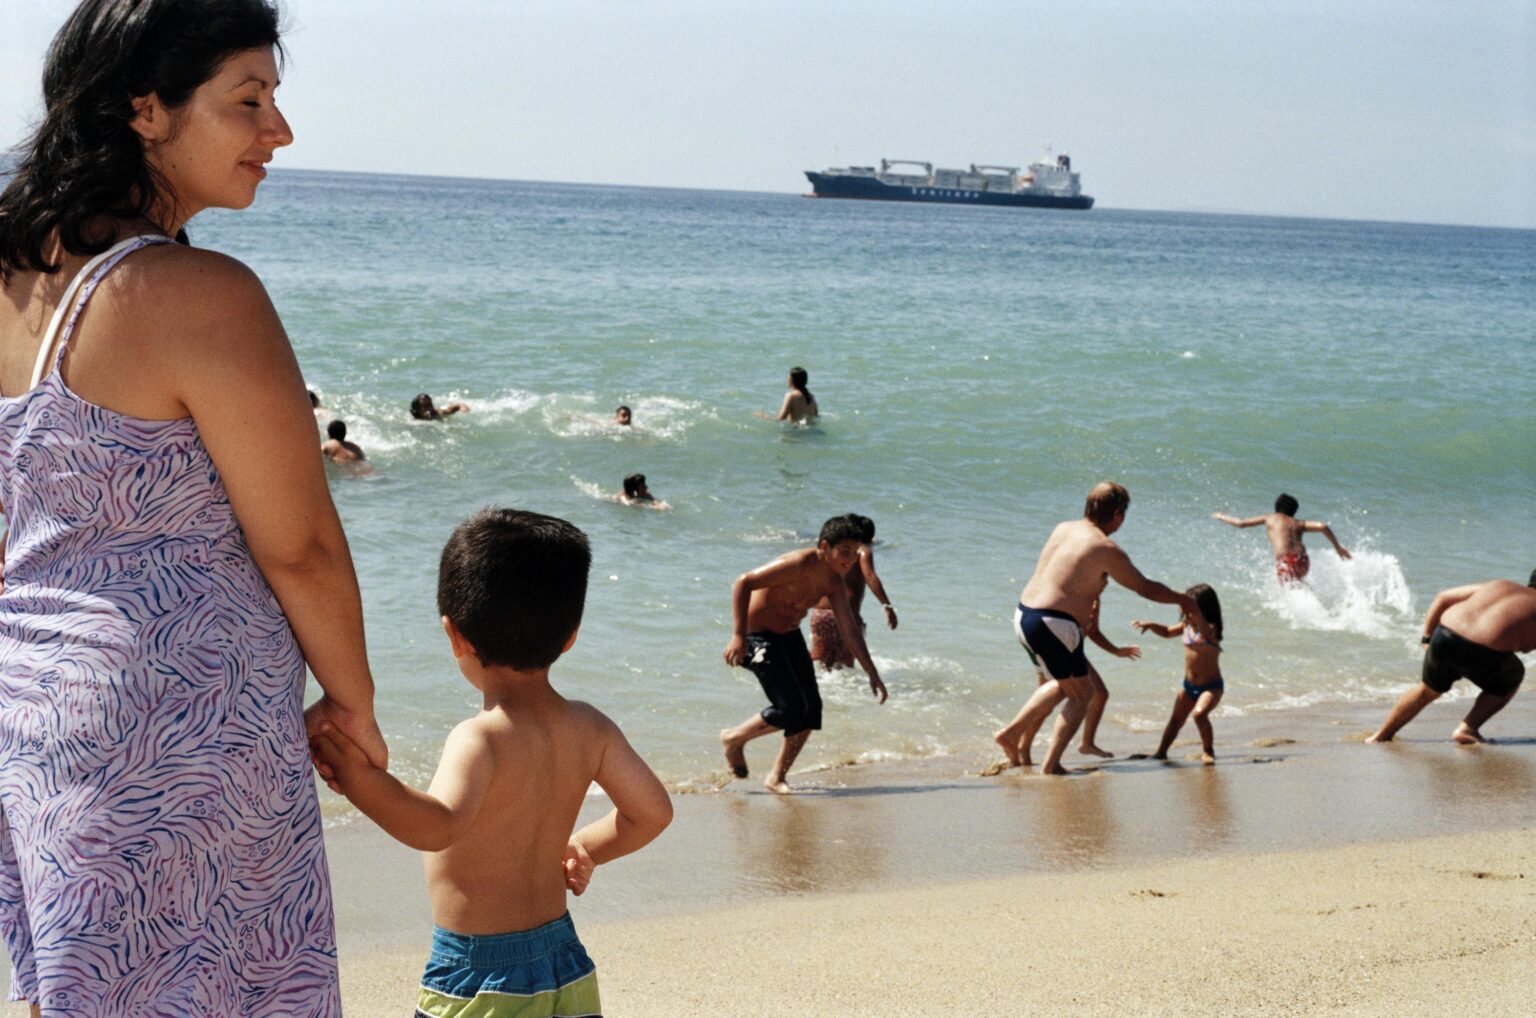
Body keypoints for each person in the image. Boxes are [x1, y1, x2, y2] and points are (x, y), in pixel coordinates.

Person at [0, 2, 385, 1012]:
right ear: (146, 111)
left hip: (38, 721)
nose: (279, 132)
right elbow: (299, 544)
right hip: (185, 731)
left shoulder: (8, 279)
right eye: (247, 101)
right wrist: (354, 702)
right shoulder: (200, 293)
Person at [311, 508, 672, 1017]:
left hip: (479, 976)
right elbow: (651, 812)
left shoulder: (479, 737)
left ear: (454, 634)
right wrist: (585, 847)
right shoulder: (590, 726)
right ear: (571, 635)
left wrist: (360, 780)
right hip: (565, 967)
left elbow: (439, 826)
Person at [993, 482, 1200, 776]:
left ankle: (1021, 746)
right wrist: (1183, 600)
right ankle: (1048, 764)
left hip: (1024, 616)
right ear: (1118, 514)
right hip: (1054, 623)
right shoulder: (1105, 547)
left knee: (1058, 687)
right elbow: (1145, 588)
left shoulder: (1063, 528)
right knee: (1082, 694)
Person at [719, 515, 889, 792]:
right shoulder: (798, 564)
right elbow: (743, 582)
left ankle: (777, 776)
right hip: (757, 637)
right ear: (825, 546)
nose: (849, 560)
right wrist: (738, 635)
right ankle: (734, 738)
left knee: (811, 711)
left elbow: (849, 628)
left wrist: (871, 671)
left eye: (854, 553)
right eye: (843, 552)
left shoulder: (835, 583)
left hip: (788, 636)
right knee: (791, 708)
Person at [1367, 570, 1536, 745]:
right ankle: (1468, 728)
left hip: (1444, 634)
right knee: (1513, 676)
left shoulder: (1499, 585)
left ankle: (1380, 735)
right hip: (1481, 650)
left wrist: (1427, 637)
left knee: (1427, 690)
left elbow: (1443, 597)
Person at [1134, 584, 1225, 764]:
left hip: (1211, 687)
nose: (1182, 605)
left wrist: (1194, 610)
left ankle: (1208, 751)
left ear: (1200, 607)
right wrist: (1152, 625)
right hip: (1189, 686)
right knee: (1175, 720)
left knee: (1199, 715)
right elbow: (1167, 632)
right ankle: (1161, 752)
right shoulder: (1186, 626)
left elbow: (1205, 632)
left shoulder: (1211, 629)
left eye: (1188, 602)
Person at [809, 514, 898, 671]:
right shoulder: (862, 551)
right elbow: (870, 577)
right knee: (845, 667)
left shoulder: (833, 551)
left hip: (821, 614)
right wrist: (887, 605)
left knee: (822, 665)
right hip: (847, 616)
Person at [1212, 493, 1350, 584]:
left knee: (1289, 592)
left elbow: (1241, 523)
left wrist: (1221, 516)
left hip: (1287, 561)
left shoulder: (1270, 518)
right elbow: (1322, 526)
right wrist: (1338, 548)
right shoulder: (1299, 523)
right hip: (1303, 561)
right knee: (1296, 589)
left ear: (1276, 507)